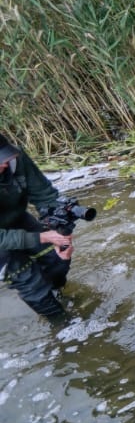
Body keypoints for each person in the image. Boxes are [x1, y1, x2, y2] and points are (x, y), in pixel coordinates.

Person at [0, 136, 75, 320]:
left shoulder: (15, 158)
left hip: (16, 218)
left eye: (4, 158)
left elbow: (44, 194)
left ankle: (59, 296)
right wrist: (40, 237)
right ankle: (62, 325)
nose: (3, 165)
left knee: (56, 258)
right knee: (29, 280)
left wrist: (59, 224)